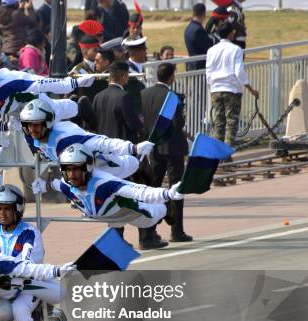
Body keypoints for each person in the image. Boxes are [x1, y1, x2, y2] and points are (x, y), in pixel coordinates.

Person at [32, 143, 184, 248]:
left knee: (153, 216)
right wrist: (43, 185)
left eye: (77, 169)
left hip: (130, 213)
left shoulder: (103, 183)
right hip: (111, 218)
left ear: (87, 168)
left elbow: (138, 191)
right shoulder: (66, 184)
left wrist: (167, 193)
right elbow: (56, 184)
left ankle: (165, 207)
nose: (72, 175)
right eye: (68, 169)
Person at [19, 98, 153, 179]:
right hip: (79, 177)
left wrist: (133, 148)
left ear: (47, 123)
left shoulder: (66, 138)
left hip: (105, 165)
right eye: (28, 125)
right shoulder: (29, 137)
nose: (32, 129)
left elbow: (103, 143)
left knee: (131, 165)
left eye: (36, 125)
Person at [141, 62, 192, 247]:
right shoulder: (172, 97)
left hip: (154, 148)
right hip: (173, 148)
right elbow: (178, 124)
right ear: (171, 77)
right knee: (176, 188)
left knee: (153, 189)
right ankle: (176, 230)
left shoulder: (145, 94)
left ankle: (148, 231)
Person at [206, 21, 258, 149]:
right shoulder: (236, 49)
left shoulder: (211, 50)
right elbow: (239, 72)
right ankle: (227, 155)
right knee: (231, 124)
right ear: (231, 33)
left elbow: (208, 72)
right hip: (231, 90)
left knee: (218, 124)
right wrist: (251, 90)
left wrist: (212, 89)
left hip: (216, 89)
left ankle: (217, 155)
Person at [92, 61, 144, 143]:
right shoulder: (124, 96)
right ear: (123, 76)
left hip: (102, 145)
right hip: (120, 146)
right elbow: (132, 124)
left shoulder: (98, 96)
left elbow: (94, 123)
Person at [184, 3, 213, 71]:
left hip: (192, 65)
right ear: (204, 14)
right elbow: (206, 49)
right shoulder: (199, 30)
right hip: (200, 66)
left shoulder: (188, 28)